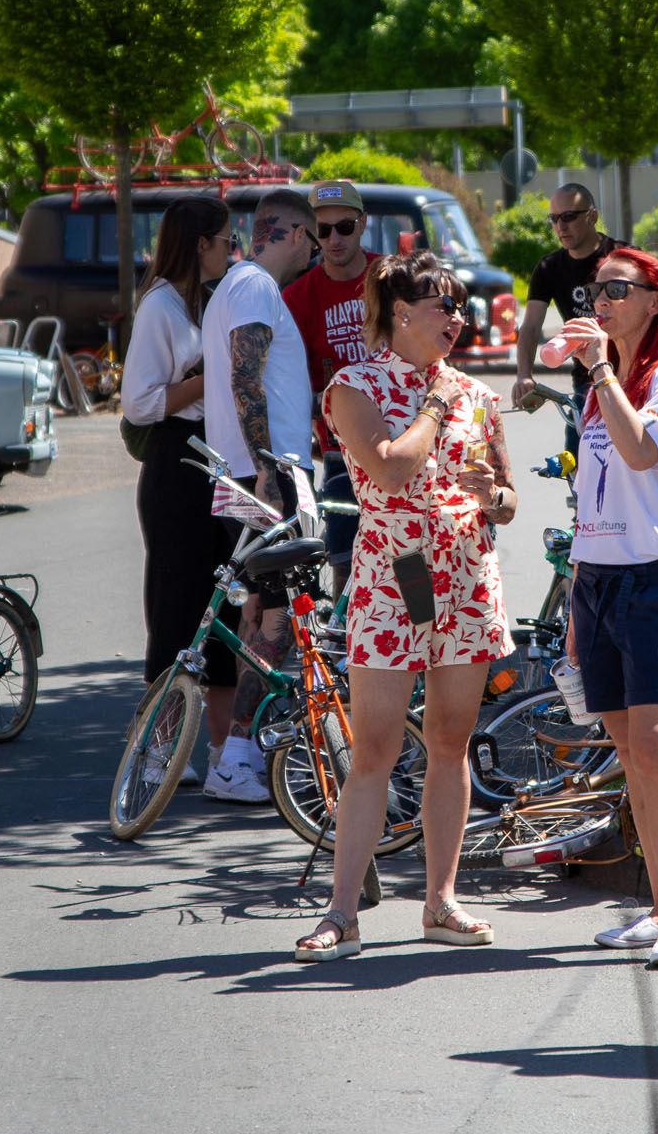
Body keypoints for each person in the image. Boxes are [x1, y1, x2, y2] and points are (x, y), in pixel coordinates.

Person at [294, 252, 516, 960]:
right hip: (398, 574)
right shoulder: (353, 386)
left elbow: (506, 499)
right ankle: (341, 914)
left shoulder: (478, 395)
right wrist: (432, 404)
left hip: (467, 573)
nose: (458, 319)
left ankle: (440, 901)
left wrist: (494, 496)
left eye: (460, 307)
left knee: (451, 740)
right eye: (443, 305)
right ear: (399, 313)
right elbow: (389, 468)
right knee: (377, 749)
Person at [560, 248, 658, 969]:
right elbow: (592, 495)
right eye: (597, 290)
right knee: (629, 752)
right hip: (600, 583)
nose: (602, 300)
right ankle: (657, 908)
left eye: (618, 289)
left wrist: (598, 371)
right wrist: (573, 595)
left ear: (655, 299)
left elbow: (643, 452)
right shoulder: (602, 385)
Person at [201, 188, 319, 803]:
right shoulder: (254, 287)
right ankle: (236, 758)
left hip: (246, 474)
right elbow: (244, 377)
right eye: (314, 240)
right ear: (295, 233)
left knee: (258, 609)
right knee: (276, 612)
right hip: (262, 476)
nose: (315, 255)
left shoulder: (236, 286)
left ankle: (235, 751)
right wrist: (271, 468)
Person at [120, 198, 236, 784]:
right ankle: (156, 753)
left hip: (214, 463)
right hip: (175, 463)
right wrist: (207, 378)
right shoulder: (161, 306)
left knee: (223, 609)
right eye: (225, 240)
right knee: (176, 608)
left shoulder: (205, 300)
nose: (230, 250)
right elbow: (139, 402)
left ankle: (224, 757)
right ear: (199, 244)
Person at [283, 179, 379, 597]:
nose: (334, 238)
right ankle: (347, 654)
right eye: (323, 231)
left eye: (345, 226)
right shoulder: (298, 295)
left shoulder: (390, 277)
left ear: (363, 225)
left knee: (412, 562)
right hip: (341, 453)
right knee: (345, 564)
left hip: (405, 440)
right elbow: (290, 381)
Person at [511, 183, 625, 409]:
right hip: (587, 381)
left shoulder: (623, 257)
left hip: (629, 375)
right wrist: (524, 375)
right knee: (577, 444)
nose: (560, 226)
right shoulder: (549, 268)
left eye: (569, 216)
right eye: (553, 218)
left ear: (592, 216)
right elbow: (531, 326)